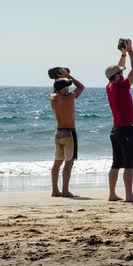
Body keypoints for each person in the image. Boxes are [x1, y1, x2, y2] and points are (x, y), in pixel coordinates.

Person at [105, 38, 133, 202]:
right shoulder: (122, 86)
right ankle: (129, 195)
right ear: (117, 77)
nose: (123, 74)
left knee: (116, 164)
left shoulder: (109, 86)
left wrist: (123, 54)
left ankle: (112, 194)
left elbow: (120, 69)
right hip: (126, 130)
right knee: (128, 165)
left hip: (115, 131)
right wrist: (131, 51)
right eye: (120, 73)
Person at [49, 69, 85, 197]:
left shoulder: (52, 98)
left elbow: (56, 90)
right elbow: (81, 87)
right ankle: (65, 191)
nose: (68, 89)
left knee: (57, 163)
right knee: (69, 163)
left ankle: (54, 190)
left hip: (58, 133)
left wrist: (59, 80)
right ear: (62, 90)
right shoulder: (69, 98)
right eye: (66, 88)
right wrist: (69, 76)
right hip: (69, 134)